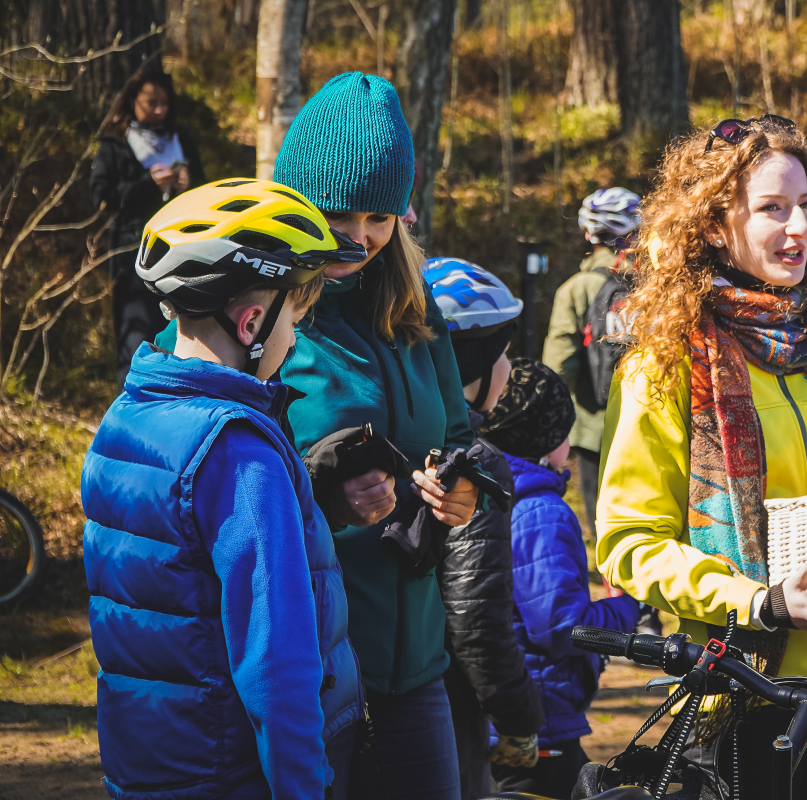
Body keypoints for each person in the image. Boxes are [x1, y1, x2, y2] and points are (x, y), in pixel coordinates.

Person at [596, 115, 807, 800]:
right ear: (712, 224)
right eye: (771, 208)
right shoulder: (665, 369)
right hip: (746, 701)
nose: (797, 228)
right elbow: (627, 542)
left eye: (804, 207)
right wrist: (758, 601)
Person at [82, 180, 365, 799]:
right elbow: (278, 666)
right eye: (295, 316)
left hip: (150, 766)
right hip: (235, 776)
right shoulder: (238, 454)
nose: (296, 337)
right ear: (252, 320)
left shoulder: (123, 421)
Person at [264, 72, 482, 800]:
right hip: (305, 666)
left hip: (415, 663)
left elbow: (457, 433)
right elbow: (212, 473)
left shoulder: (417, 313)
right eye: (339, 214)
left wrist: (461, 490)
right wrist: (324, 488)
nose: (358, 237)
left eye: (379, 217)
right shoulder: (251, 312)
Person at [481, 359, 641, 799]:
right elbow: (562, 627)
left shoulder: (485, 489)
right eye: (563, 433)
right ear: (544, 439)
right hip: (540, 720)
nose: (569, 446)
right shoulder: (539, 511)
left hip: (500, 719)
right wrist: (628, 605)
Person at [426, 257, 545, 800]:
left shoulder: (380, 437)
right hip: (443, 706)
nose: (511, 369)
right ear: (468, 365)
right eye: (503, 356)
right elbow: (477, 621)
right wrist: (521, 718)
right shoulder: (471, 461)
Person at [91, 67, 206, 384]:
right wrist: (147, 184)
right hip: (133, 254)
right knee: (135, 340)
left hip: (182, 251)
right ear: (132, 101)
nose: (158, 110)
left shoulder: (181, 140)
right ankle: (129, 411)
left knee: (177, 338)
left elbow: (209, 191)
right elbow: (102, 198)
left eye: (164, 103)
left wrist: (189, 184)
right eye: (150, 102)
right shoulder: (115, 144)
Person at [542, 188, 641, 526]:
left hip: (594, 427)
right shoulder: (662, 285)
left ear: (589, 234)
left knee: (605, 520)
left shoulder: (576, 287)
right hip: (656, 420)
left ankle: (609, 577)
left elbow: (559, 366)